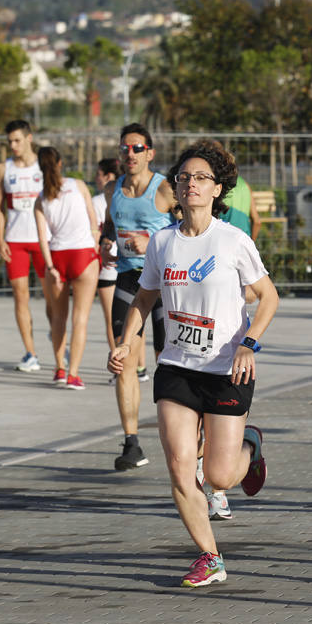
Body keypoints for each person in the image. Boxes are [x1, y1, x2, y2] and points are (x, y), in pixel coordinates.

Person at [108, 142, 279, 587]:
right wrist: (127, 342)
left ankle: (250, 448)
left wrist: (250, 343)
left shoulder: (233, 240)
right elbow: (145, 297)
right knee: (181, 466)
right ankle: (210, 556)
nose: (191, 184)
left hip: (227, 368)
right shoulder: (162, 242)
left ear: (217, 188)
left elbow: (269, 297)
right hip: (177, 367)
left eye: (201, 178)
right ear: (176, 188)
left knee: (220, 475)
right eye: (184, 177)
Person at [102, 123, 179, 471]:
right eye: (124, 149)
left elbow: (189, 229)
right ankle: (131, 442)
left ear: (150, 152)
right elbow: (109, 224)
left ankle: (184, 434)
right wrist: (105, 243)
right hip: (128, 278)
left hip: (164, 283)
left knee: (169, 359)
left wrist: (155, 243)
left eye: (136, 148)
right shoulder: (112, 189)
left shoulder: (164, 189)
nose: (129, 154)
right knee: (123, 357)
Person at [33, 147, 100, 390]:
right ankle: (74, 374)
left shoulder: (41, 199)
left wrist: (49, 266)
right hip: (83, 254)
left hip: (57, 257)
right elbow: (93, 219)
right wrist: (95, 242)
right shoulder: (78, 185)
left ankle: (60, 367)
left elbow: (43, 237)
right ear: (61, 163)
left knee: (58, 318)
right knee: (79, 319)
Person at [0, 119, 52, 373]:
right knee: (21, 295)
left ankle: (59, 339)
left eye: (17, 140)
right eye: (10, 142)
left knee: (53, 296)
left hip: (43, 239)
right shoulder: (3, 168)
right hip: (15, 240)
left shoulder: (44, 164)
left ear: (29, 138)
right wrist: (0, 238)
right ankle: (31, 353)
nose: (13, 145)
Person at [218, 174, 262, 241]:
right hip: (243, 241)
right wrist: (250, 245)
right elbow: (257, 222)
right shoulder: (245, 185)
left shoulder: (217, 185)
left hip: (223, 241)